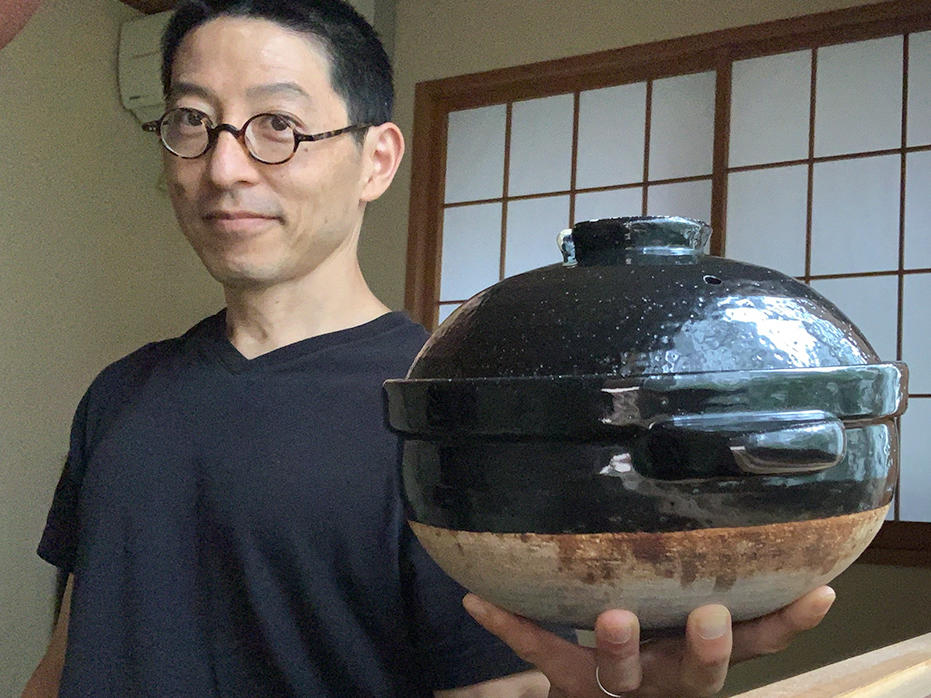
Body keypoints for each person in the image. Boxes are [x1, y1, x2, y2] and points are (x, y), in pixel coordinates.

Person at [23, 1, 837, 695]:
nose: (225, 166)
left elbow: (500, 684)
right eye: (193, 122)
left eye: (277, 125)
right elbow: (69, 657)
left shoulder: (452, 412)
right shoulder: (120, 393)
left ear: (375, 159)